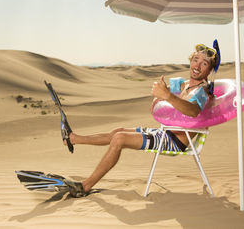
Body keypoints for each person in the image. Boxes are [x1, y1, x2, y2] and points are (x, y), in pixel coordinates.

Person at [62, 44, 220, 197]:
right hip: (164, 132)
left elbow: (192, 111)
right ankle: (73, 138)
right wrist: (162, 94)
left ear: (210, 70)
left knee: (119, 139)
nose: (197, 66)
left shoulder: (202, 91)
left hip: (174, 141)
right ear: (191, 60)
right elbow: (167, 103)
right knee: (118, 131)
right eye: (196, 60)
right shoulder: (183, 84)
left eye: (204, 63)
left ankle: (85, 186)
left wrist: (167, 96)